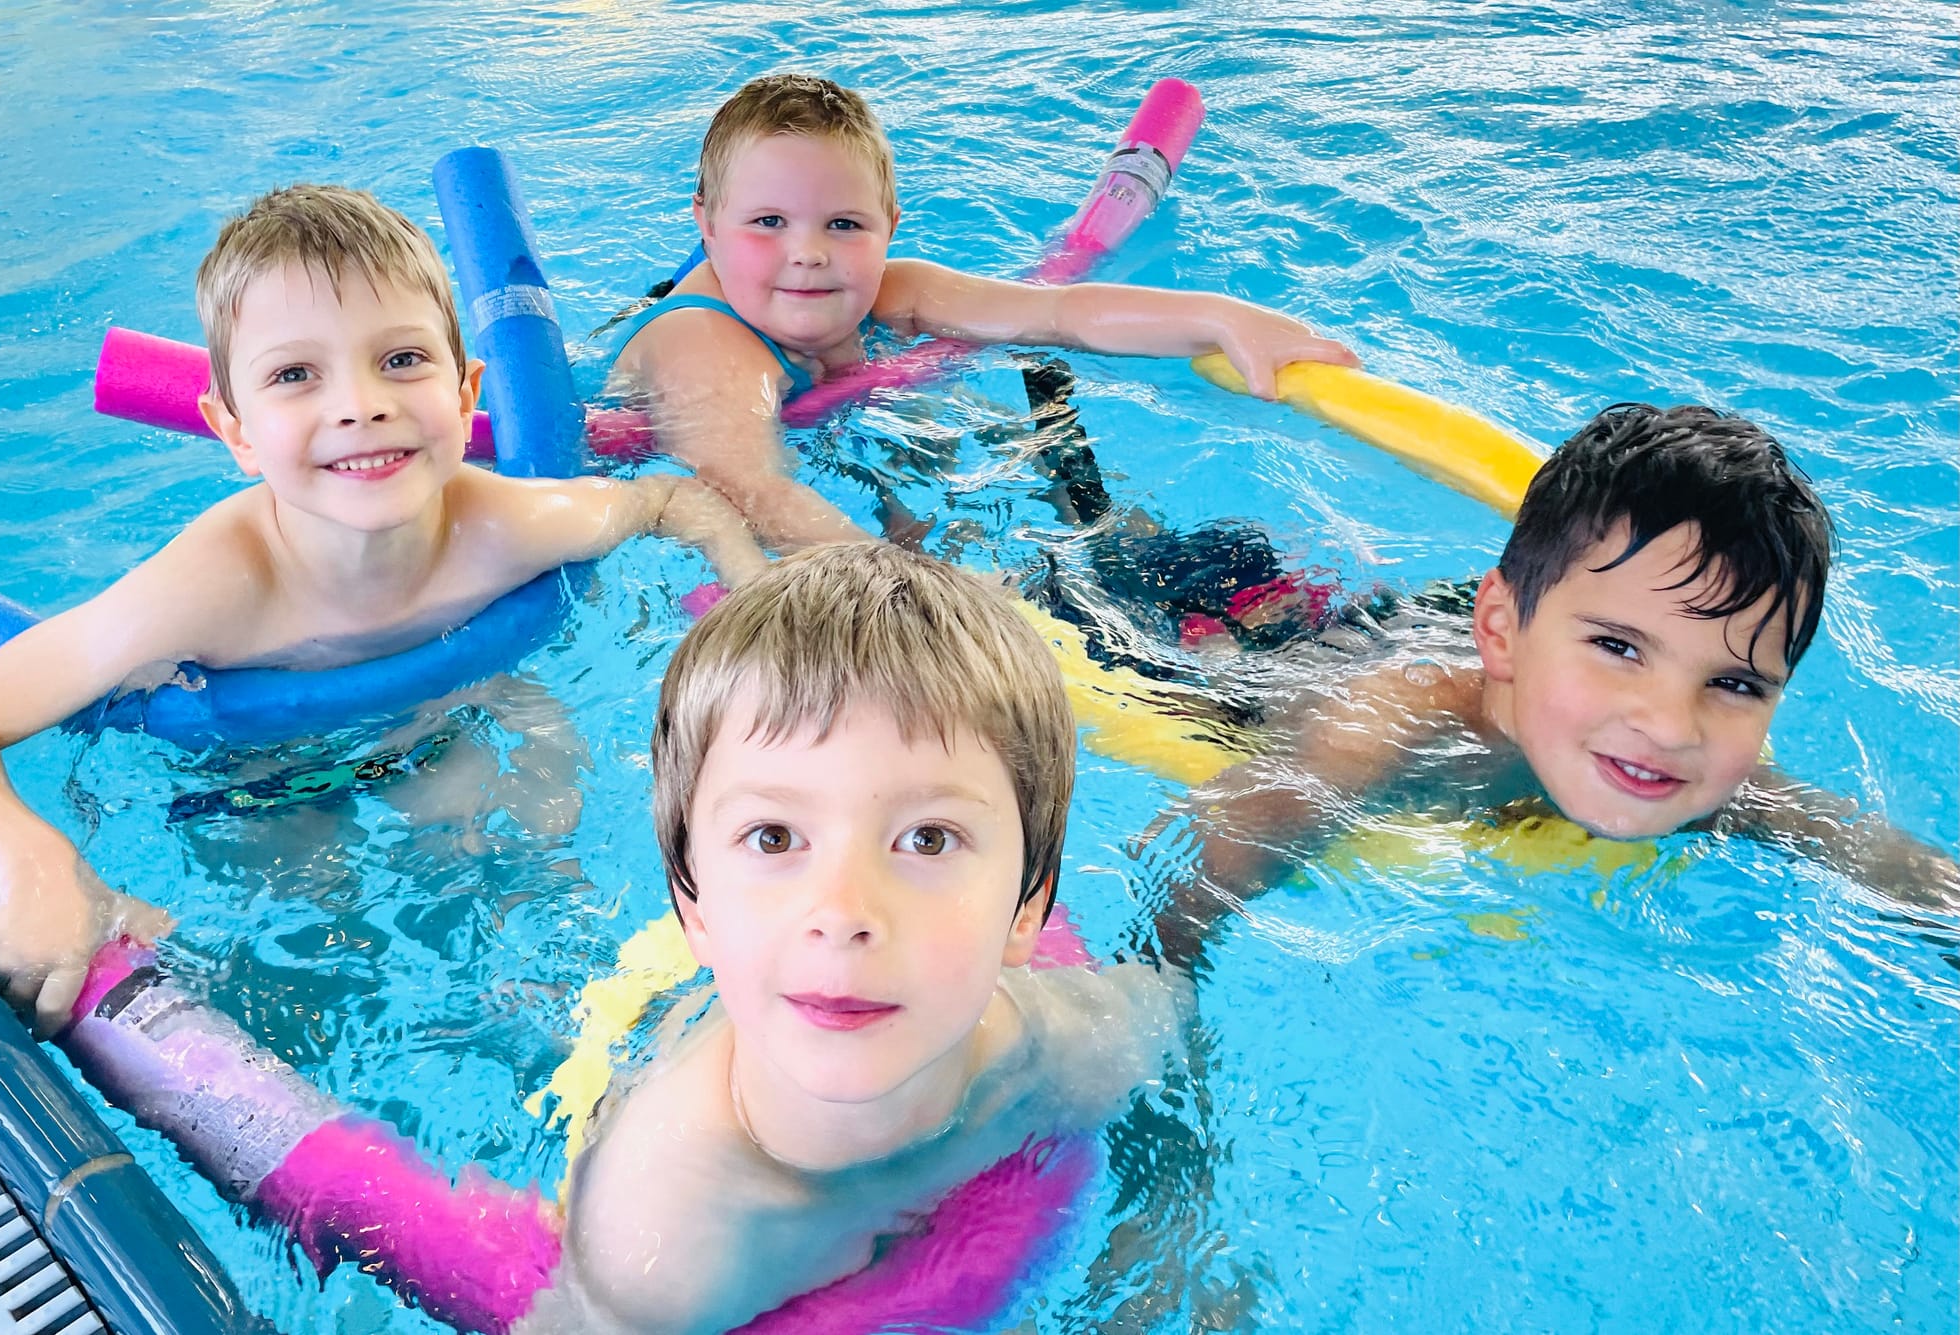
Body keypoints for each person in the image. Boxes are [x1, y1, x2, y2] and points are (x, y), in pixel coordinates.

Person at [0, 184, 769, 1035]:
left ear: (466, 397)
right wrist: (23, 864)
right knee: (304, 951)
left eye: (402, 361)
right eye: (295, 375)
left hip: (446, 722)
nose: (359, 404)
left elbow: (671, 502)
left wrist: (748, 595)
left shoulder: (509, 528)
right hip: (260, 777)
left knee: (526, 857)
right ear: (232, 430)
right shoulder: (210, 588)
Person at [524, 543, 1186, 1335]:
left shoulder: (1064, 1045)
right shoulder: (660, 1247)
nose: (842, 910)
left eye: (929, 839)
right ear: (694, 908)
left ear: (1027, 906)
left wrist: (1159, 1257)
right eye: (773, 836)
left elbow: (1170, 1032)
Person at [1169, 401, 1959, 934]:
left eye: (1734, 682)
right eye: (1620, 648)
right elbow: (1190, 876)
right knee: (1170, 583)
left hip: (1452, 627)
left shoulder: (1705, 772)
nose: (1670, 725)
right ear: (1503, 632)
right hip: (1236, 661)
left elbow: (1885, 859)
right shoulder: (1385, 738)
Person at [608, 72, 1361, 550]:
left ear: (889, 225)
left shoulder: (891, 290)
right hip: (678, 476)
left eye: (843, 225)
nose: (809, 253)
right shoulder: (702, 343)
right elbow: (756, 493)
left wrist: (1221, 317)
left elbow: (1058, 313)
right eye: (768, 223)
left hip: (841, 423)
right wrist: (923, 596)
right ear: (705, 226)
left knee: (1005, 446)